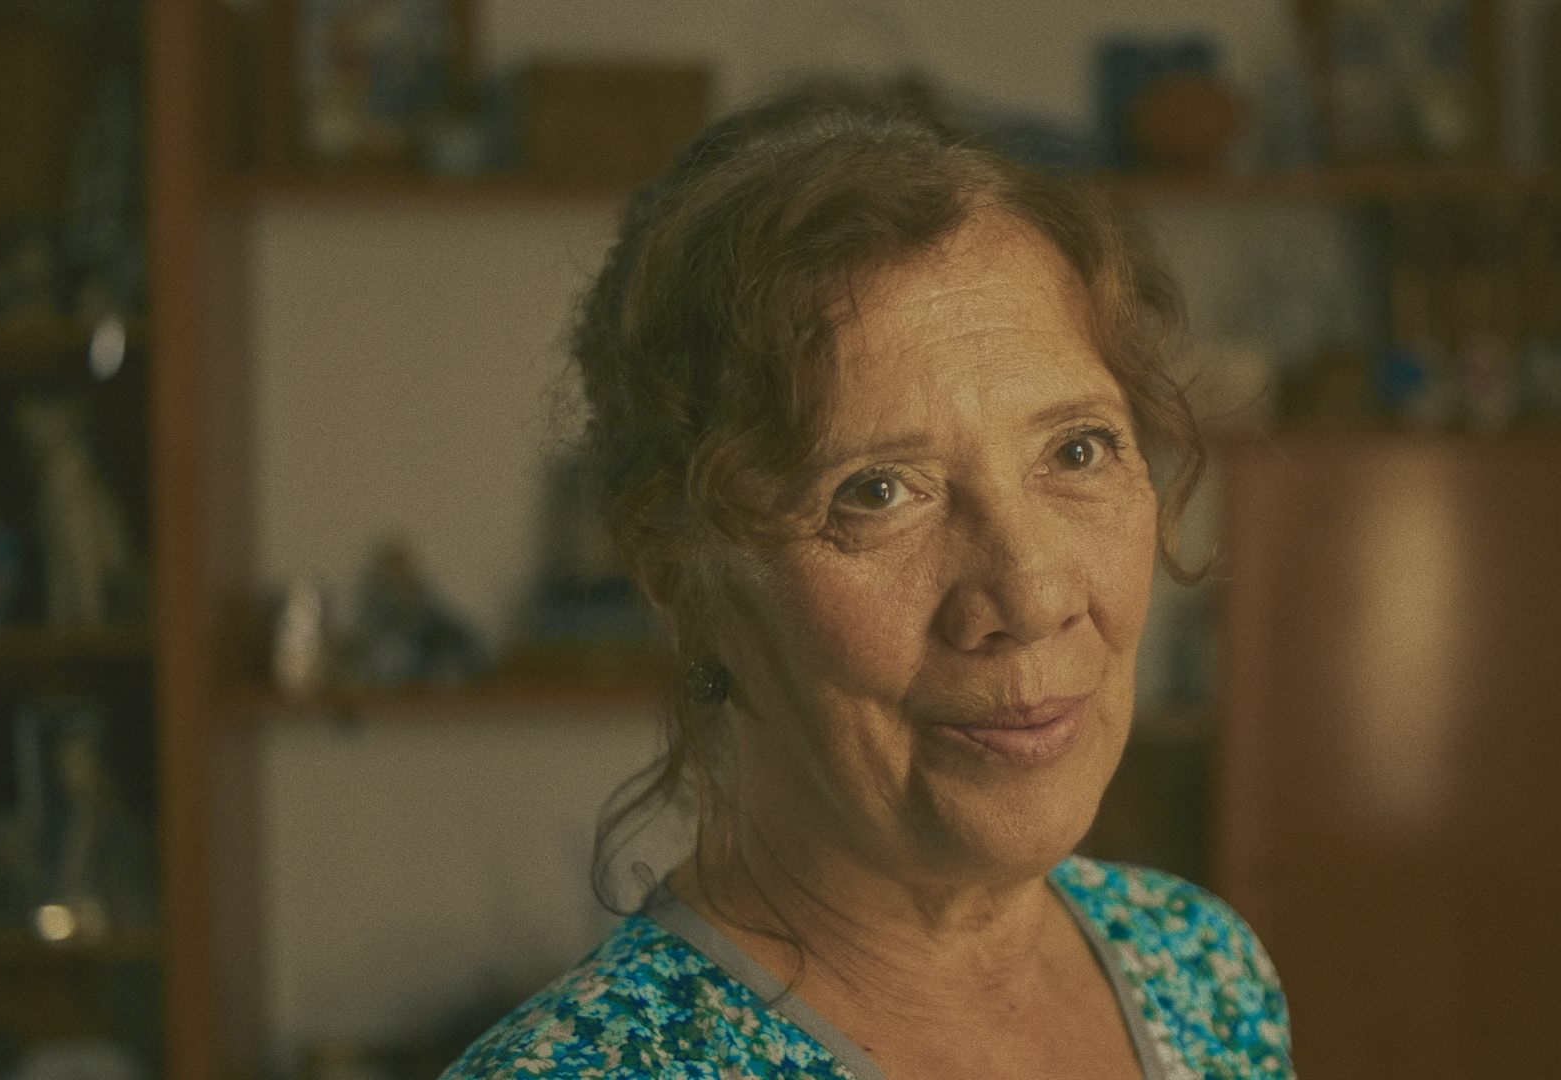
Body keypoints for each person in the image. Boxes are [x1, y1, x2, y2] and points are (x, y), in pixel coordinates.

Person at [444, 94, 1291, 1080]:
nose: (1028, 597)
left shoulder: (1200, 971)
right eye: (878, 491)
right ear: (683, 575)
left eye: (1077, 448)